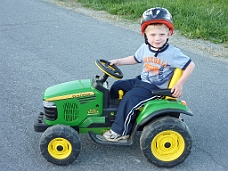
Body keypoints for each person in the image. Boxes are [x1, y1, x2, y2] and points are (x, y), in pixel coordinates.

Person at [103, 7, 195, 142]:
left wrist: (179, 84)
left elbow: (190, 65)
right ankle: (118, 116)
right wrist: (118, 62)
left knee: (129, 98)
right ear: (145, 35)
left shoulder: (173, 53)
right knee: (117, 86)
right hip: (141, 81)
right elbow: (135, 58)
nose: (157, 39)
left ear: (169, 33)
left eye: (161, 35)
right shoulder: (145, 48)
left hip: (155, 89)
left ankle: (121, 131)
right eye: (152, 35)